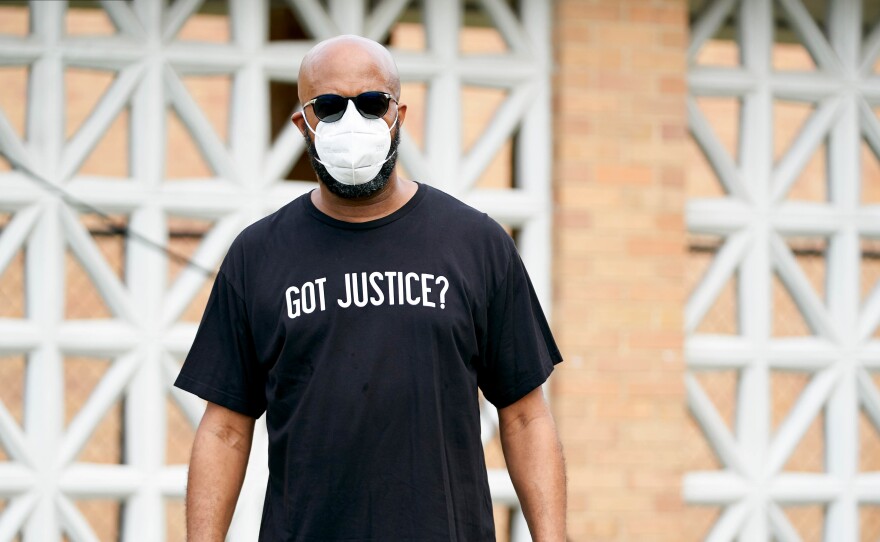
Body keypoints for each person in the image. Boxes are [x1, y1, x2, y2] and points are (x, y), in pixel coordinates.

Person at [175, 34, 566, 541]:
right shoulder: (258, 254)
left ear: (399, 114)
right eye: (330, 107)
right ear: (304, 124)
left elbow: (525, 417)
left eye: (372, 103)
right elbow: (225, 429)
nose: (352, 122)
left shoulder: (476, 243)